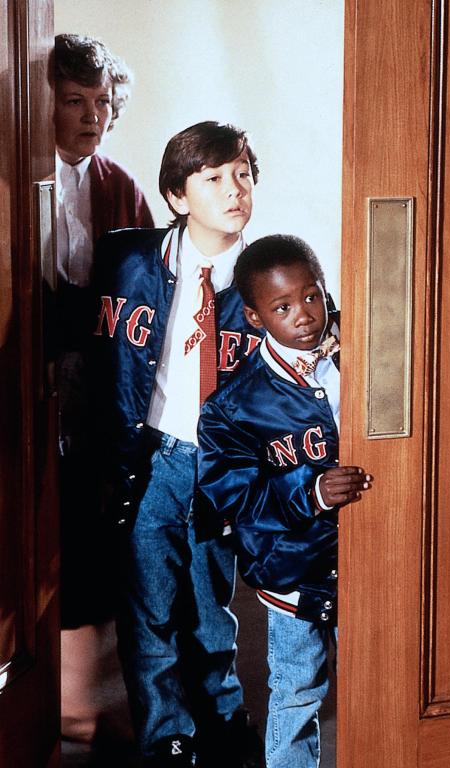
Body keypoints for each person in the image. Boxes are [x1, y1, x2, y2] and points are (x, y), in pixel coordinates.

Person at [91, 121, 264, 767]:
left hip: (221, 467)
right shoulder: (128, 261)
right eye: (213, 178)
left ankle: (223, 722)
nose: (234, 189)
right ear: (176, 195)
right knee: (150, 610)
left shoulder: (266, 278)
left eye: (242, 174)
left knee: (211, 609)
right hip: (152, 460)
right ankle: (168, 737)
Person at [197, 234, 372, 768]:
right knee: (297, 693)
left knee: (376, 686)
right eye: (283, 307)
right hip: (292, 574)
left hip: (367, 561)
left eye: (312, 296)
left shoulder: (364, 355)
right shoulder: (233, 406)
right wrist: (310, 493)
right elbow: (235, 499)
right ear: (254, 318)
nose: (304, 315)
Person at [51, 33, 154, 742]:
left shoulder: (119, 185)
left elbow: (139, 291)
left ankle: (83, 701)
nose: (92, 116)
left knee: (94, 527)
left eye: (102, 103)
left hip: (94, 384)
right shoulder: (18, 175)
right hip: (29, 374)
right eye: (74, 101)